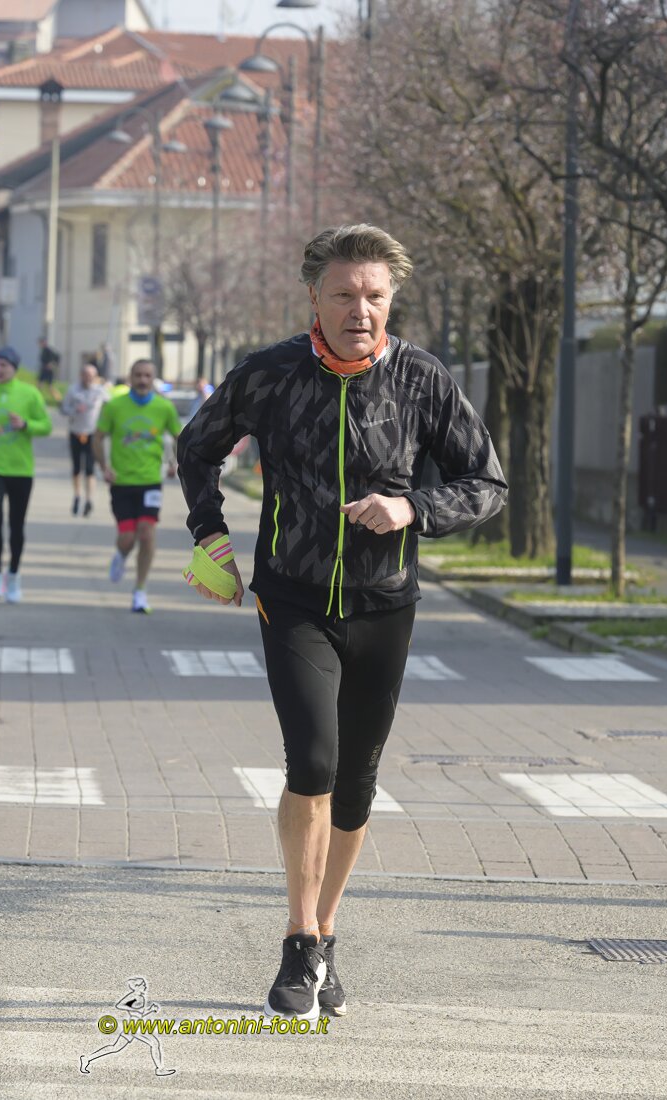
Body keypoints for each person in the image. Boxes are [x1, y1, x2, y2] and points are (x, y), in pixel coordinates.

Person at [176, 224, 506, 1020]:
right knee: (313, 762)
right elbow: (197, 446)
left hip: (384, 602)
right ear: (314, 298)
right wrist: (210, 533)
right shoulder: (271, 373)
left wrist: (412, 507)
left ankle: (326, 933)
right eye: (346, 294)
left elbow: (487, 483)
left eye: (375, 296)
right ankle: (298, 939)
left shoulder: (423, 379)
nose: (362, 309)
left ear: (391, 300)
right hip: (291, 597)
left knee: (356, 781)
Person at [96, 359, 181, 614]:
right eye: (138, 375)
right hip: (121, 482)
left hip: (150, 481)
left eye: (147, 375)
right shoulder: (114, 406)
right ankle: (121, 555)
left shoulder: (164, 407)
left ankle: (140, 591)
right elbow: (98, 437)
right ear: (130, 377)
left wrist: (175, 462)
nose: (143, 380)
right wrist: (104, 466)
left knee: (146, 533)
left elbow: (179, 436)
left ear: (153, 379)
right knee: (127, 538)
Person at [0, 346, 52, 603]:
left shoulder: (29, 393)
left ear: (14, 368)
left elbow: (46, 426)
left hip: (21, 468)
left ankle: (13, 576)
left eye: (4, 365)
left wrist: (25, 425)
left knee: (17, 524)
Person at [61, 361, 109, 518]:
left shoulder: (100, 391)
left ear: (95, 377)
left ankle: (89, 500)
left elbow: (111, 406)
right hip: (76, 432)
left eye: (91, 376)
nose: (88, 378)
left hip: (92, 434)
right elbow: (63, 409)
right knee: (76, 468)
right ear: (81, 375)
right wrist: (74, 410)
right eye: (85, 375)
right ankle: (77, 496)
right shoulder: (73, 390)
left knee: (90, 468)